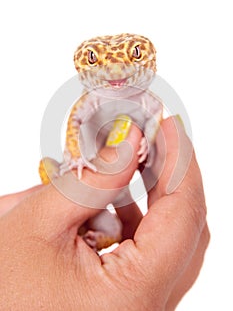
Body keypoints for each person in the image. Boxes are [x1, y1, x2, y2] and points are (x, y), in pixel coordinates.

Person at [0, 117, 209, 310]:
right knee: (48, 167)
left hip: (95, 192)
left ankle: (97, 235)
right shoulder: (91, 111)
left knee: (114, 227)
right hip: (79, 173)